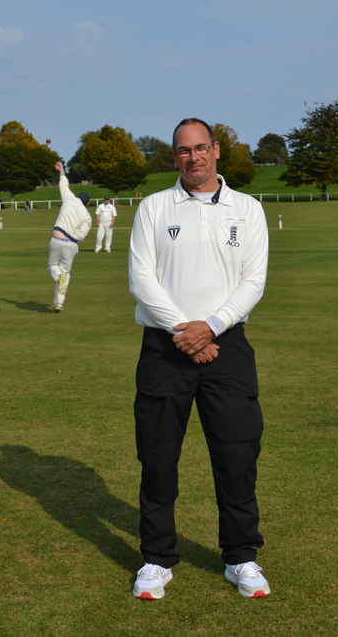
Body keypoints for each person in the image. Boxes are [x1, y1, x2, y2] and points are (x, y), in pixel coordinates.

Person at [128, 118, 270, 600]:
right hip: (164, 348)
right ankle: (156, 559)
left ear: (216, 150)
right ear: (175, 157)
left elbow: (254, 281)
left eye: (201, 148)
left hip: (226, 346)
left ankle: (241, 557)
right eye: (184, 151)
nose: (194, 158)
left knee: (236, 457)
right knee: (158, 458)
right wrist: (184, 331)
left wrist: (210, 327)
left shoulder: (247, 209)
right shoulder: (153, 207)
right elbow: (141, 278)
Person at [47, 161, 92, 312]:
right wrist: (74, 239)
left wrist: (61, 171)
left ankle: (59, 277)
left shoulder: (70, 199)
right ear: (87, 203)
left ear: (78, 197)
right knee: (65, 274)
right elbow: (82, 235)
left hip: (57, 239)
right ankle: (59, 303)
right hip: (72, 244)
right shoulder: (87, 216)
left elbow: (63, 185)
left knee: (54, 267)